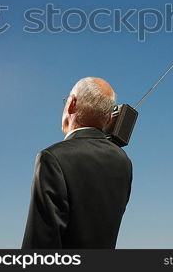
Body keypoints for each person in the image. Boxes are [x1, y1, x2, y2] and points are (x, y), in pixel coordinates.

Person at [21, 77, 133, 249]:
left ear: (72, 103)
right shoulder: (123, 161)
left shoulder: (52, 157)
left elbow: (40, 244)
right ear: (110, 118)